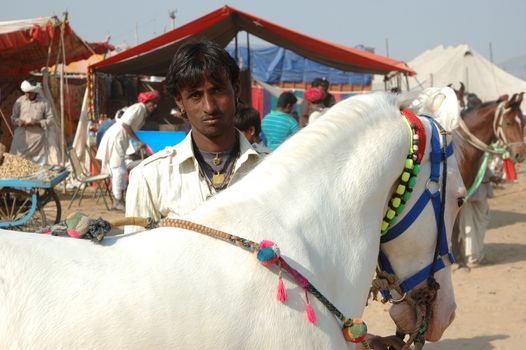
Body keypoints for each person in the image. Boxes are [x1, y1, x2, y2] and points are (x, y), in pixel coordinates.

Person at [125, 41, 262, 231]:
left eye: (217, 90)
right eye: (195, 95)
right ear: (180, 101)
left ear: (236, 90)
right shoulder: (150, 177)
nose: (209, 107)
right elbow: (136, 255)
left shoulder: (271, 169)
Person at [96, 90, 160, 211]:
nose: (154, 106)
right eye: (152, 103)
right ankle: (118, 201)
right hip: (117, 137)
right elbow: (126, 124)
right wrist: (138, 140)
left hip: (120, 138)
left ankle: (119, 199)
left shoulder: (141, 111)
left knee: (119, 169)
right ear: (146, 102)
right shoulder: (139, 108)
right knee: (118, 169)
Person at [10, 80, 54, 165]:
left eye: (30, 93)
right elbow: (13, 117)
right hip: (21, 139)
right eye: (26, 93)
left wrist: (37, 122)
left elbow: (51, 120)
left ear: (35, 92)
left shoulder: (44, 102)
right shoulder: (20, 101)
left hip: (37, 141)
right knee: (16, 164)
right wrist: (17, 121)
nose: (27, 95)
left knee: (37, 167)